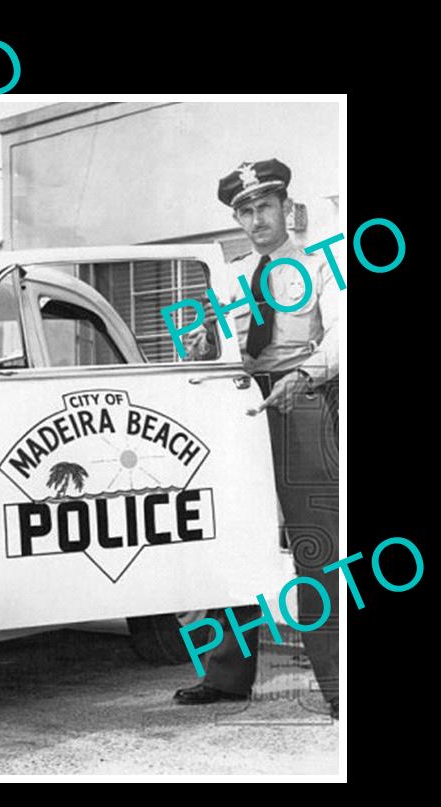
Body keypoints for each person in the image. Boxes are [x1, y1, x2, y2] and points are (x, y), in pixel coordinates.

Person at [173, 158, 340, 719]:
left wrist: (306, 375)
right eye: (244, 210)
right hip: (242, 406)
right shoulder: (235, 275)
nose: (254, 218)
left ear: (285, 208)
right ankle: (225, 675)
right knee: (230, 538)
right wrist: (204, 342)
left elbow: (341, 336)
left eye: (263, 205)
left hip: (305, 402)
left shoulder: (321, 264)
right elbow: (227, 346)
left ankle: (338, 684)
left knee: (316, 547)